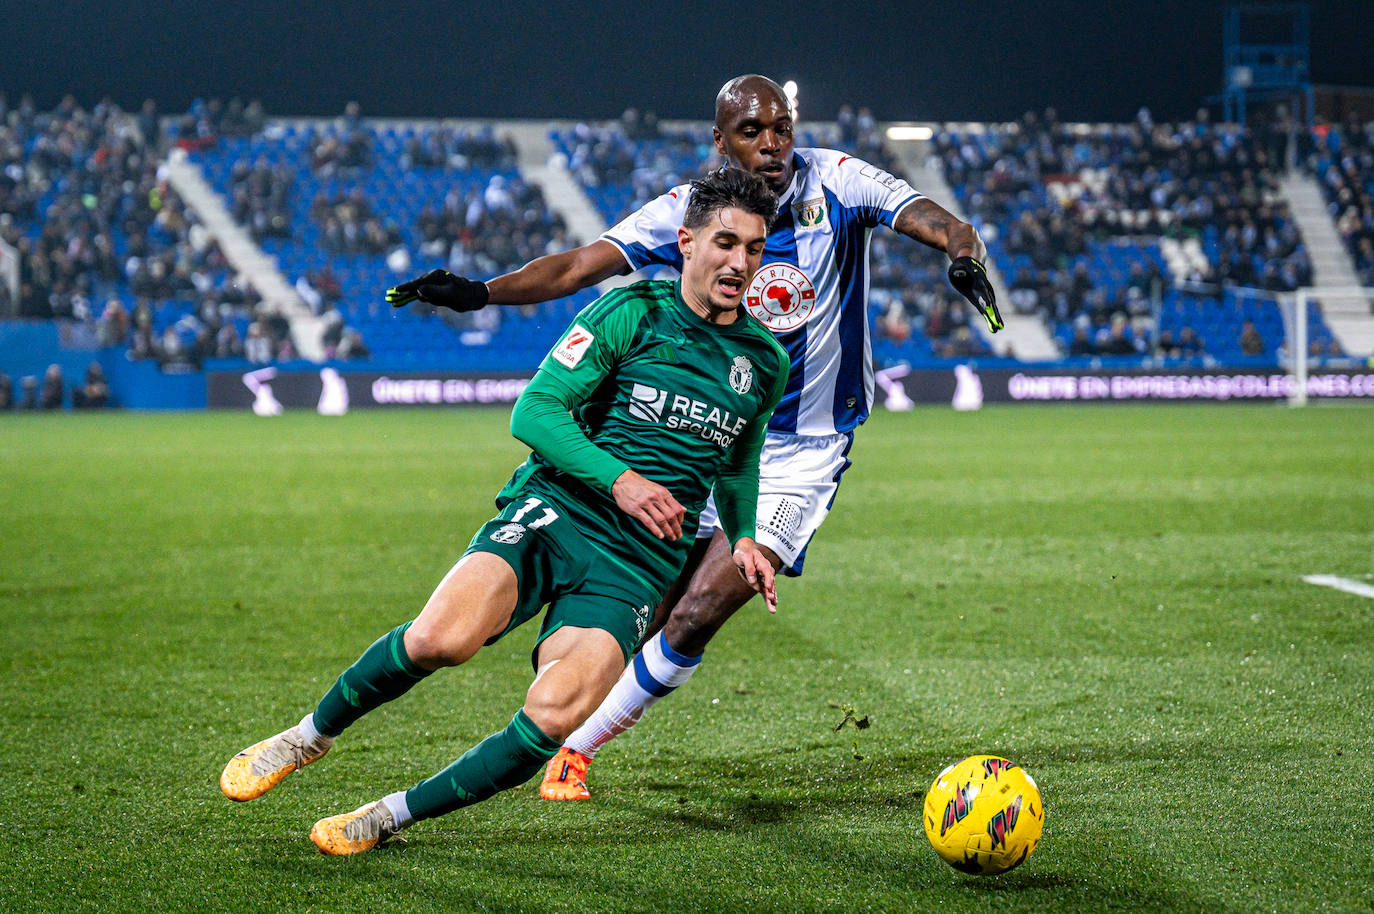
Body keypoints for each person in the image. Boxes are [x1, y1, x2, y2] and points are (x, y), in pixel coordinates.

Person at [386, 75, 1001, 802]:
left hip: (802, 452)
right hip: (701, 438)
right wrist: (484, 291)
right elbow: (582, 265)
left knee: (706, 604)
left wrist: (963, 251)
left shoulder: (836, 179)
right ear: (720, 139)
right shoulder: (689, 211)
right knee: (654, 602)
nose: (771, 143)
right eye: (751, 130)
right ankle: (566, 706)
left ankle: (578, 747)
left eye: (781, 127)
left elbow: (932, 218)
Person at [220, 167, 789, 855]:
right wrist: (623, 482)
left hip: (638, 566)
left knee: (554, 716)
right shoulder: (629, 312)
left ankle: (389, 816)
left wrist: (747, 536)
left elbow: (735, 461)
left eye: (754, 249)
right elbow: (536, 411)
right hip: (558, 512)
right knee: (441, 639)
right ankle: (306, 738)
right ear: (688, 241)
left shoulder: (762, 359)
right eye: (725, 242)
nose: (739, 262)